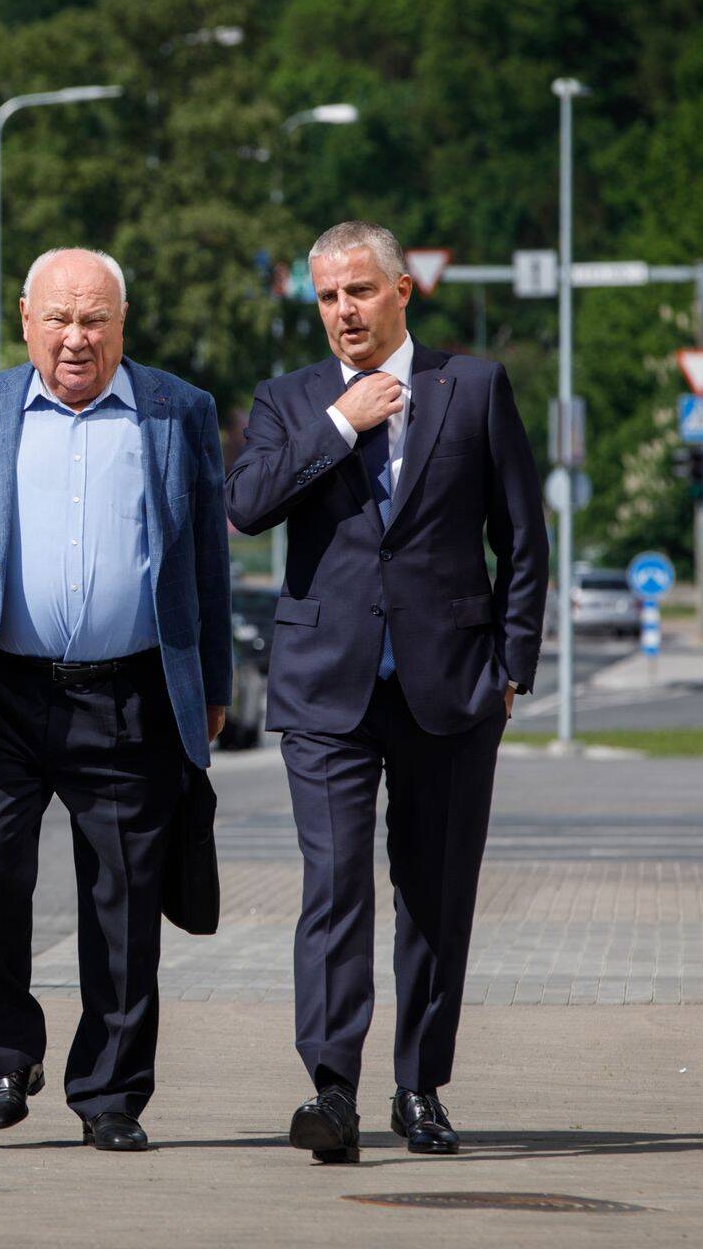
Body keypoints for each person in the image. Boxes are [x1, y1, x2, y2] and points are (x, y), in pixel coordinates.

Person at [225, 221, 548, 1161]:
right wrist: (343, 423)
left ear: (403, 290)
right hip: (325, 689)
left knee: (436, 895)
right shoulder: (288, 402)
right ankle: (331, 1091)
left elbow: (522, 539)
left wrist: (512, 667)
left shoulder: (474, 386)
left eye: (359, 292)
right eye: (326, 298)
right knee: (333, 888)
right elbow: (247, 507)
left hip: (452, 687)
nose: (342, 313)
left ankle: (421, 1087)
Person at [0, 247, 231, 1153]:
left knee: (123, 903)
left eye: (94, 319)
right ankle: (8, 1056)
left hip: (127, 698)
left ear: (123, 325)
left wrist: (212, 687)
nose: (76, 338)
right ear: (25, 319)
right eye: (59, 318)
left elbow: (208, 560)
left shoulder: (177, 412)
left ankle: (110, 1095)